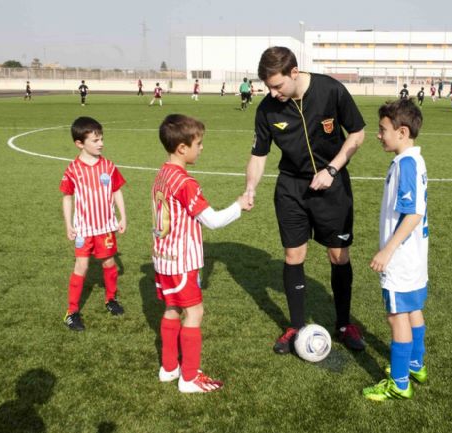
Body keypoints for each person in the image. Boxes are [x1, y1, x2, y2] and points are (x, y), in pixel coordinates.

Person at [244, 46, 367, 355]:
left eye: (277, 85)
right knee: (292, 256)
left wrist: (332, 169)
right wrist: (250, 188)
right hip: (291, 188)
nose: (272, 93)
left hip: (332, 186)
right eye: (268, 86)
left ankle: (343, 324)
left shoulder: (330, 90)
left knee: (338, 256)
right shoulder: (267, 109)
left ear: (294, 73)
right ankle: (295, 327)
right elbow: (259, 155)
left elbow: (357, 134)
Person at [153, 114, 250, 393]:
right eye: (199, 143)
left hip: (162, 258)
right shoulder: (185, 182)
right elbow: (214, 221)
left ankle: (169, 368)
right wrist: (239, 205)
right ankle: (189, 377)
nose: (202, 148)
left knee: (171, 309)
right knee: (194, 312)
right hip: (182, 261)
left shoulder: (162, 174)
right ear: (182, 148)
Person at [363, 98, 428, 402]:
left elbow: (413, 214)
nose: (379, 134)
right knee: (413, 308)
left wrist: (387, 251)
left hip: (401, 258)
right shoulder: (413, 160)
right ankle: (415, 365)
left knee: (396, 316)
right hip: (414, 256)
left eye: (382, 129)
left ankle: (399, 383)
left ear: (402, 132)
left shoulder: (406, 165)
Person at [60, 117, 127, 331]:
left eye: (102, 139)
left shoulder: (108, 165)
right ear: (80, 143)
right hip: (83, 229)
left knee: (109, 263)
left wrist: (122, 216)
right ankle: (72, 312)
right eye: (95, 140)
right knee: (82, 265)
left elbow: (116, 190)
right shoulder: (73, 169)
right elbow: (67, 197)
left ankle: (111, 299)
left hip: (106, 226)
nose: (101, 143)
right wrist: (68, 224)